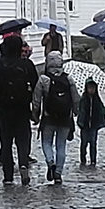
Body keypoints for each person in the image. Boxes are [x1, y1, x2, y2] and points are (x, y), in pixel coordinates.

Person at [0, 34, 36, 185]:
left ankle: (8, 175)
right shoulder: (27, 65)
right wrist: (36, 108)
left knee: (6, 142)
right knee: (23, 139)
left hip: (4, 110)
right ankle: (23, 163)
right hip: (22, 109)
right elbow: (36, 87)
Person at [31, 51, 76, 184]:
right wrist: (75, 111)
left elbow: (36, 100)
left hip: (48, 117)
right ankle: (58, 173)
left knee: (46, 142)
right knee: (61, 145)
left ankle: (50, 162)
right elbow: (76, 98)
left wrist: (35, 114)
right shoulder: (68, 79)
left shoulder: (43, 79)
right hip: (65, 118)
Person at [76, 78, 105, 167]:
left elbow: (102, 109)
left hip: (94, 125)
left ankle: (93, 160)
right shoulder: (83, 99)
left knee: (93, 143)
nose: (91, 90)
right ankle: (83, 159)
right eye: (89, 88)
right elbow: (79, 110)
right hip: (85, 125)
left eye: (93, 88)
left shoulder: (97, 100)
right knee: (84, 143)